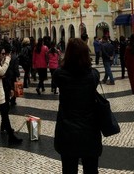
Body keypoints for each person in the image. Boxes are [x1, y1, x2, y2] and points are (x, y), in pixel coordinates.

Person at [53, 38, 102, 174]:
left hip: (67, 131)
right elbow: (92, 72)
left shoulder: (59, 75)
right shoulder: (93, 76)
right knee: (91, 170)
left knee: (69, 170)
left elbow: (57, 76)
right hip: (90, 131)